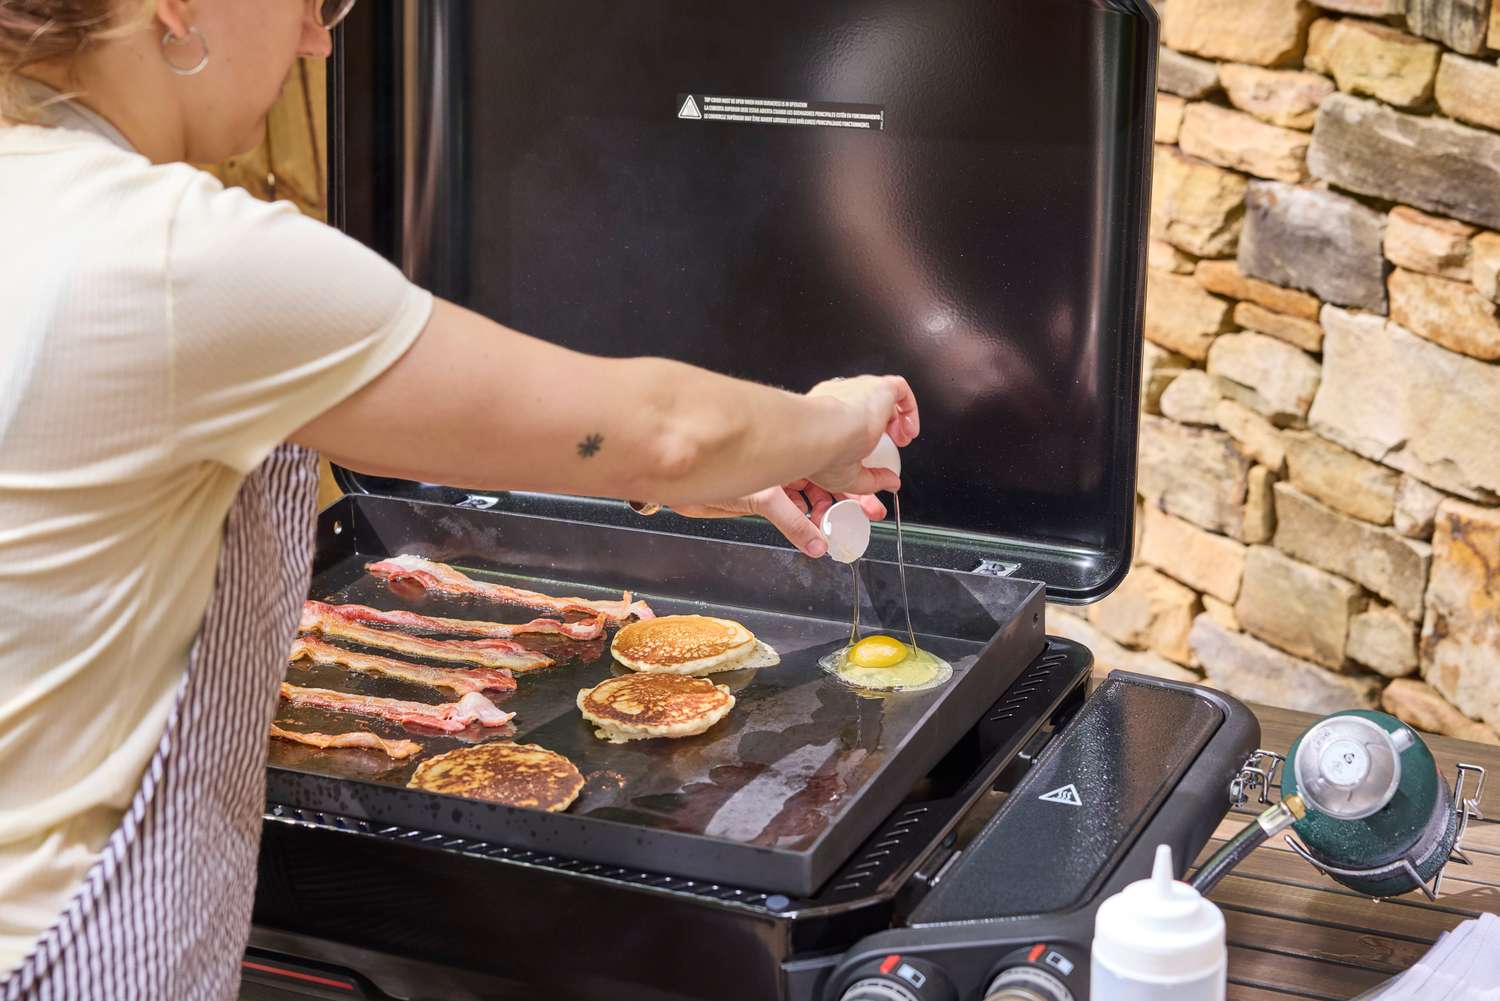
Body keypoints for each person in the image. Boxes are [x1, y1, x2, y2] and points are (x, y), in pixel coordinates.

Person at [0, 0, 921, 996]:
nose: (320, 41)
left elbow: (439, 422)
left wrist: (701, 478)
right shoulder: (179, 257)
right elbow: (663, 430)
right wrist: (840, 414)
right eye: (312, 2)